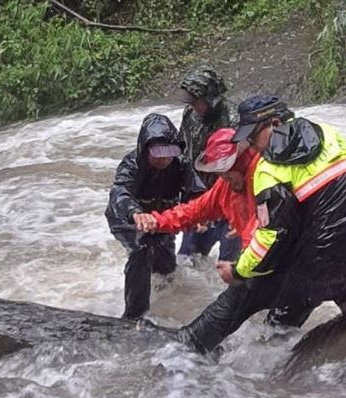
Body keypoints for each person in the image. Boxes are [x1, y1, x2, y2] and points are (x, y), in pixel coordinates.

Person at [177, 95, 346, 352]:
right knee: (297, 282)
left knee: (246, 289)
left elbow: (271, 237)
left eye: (252, 138)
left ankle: (190, 343)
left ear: (275, 124)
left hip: (324, 265)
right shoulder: (329, 133)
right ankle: (320, 321)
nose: (252, 147)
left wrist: (238, 271)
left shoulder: (268, 169)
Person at [133, 128, 260, 280]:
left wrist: (238, 271)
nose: (225, 179)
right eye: (220, 174)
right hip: (254, 258)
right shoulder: (225, 185)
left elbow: (268, 234)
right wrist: (157, 221)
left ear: (240, 163)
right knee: (188, 261)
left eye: (227, 175)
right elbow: (195, 210)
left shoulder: (264, 179)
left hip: (269, 263)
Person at [105, 113, 196, 321]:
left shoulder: (180, 164)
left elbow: (196, 191)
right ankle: (134, 316)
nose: (164, 159)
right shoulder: (131, 164)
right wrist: (135, 213)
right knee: (141, 250)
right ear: (145, 149)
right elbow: (120, 192)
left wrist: (199, 215)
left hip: (161, 217)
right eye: (157, 153)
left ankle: (167, 302)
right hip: (127, 218)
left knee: (166, 269)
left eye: (168, 153)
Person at [176, 65, 241, 262]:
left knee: (229, 265)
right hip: (200, 198)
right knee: (186, 260)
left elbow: (241, 168)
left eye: (196, 101)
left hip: (229, 201)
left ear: (211, 98)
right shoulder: (190, 114)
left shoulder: (234, 119)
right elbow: (183, 154)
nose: (193, 106)